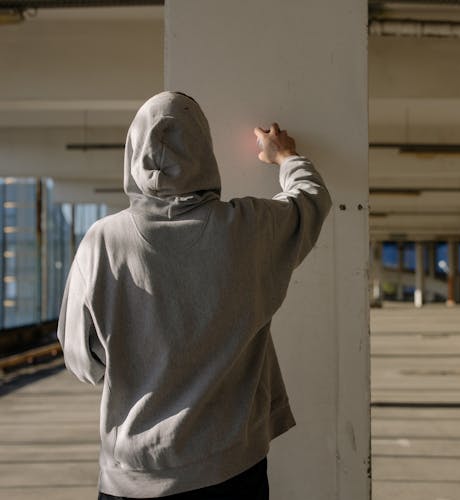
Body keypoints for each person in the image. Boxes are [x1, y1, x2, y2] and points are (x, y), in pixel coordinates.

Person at [57, 91, 332, 499]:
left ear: (133, 151)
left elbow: (83, 360)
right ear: (205, 150)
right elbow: (310, 200)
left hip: (131, 475)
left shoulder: (104, 243)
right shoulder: (247, 229)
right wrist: (284, 156)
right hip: (230, 468)